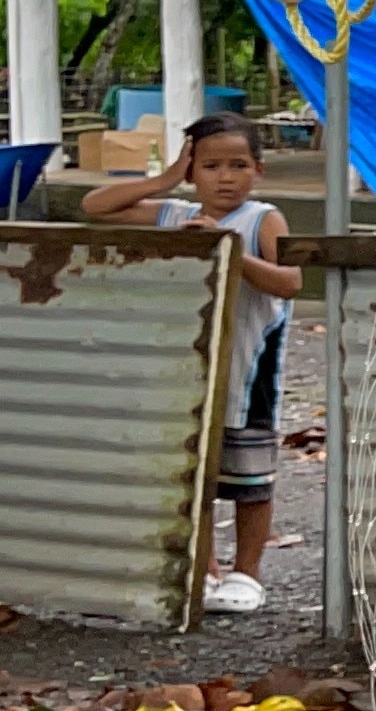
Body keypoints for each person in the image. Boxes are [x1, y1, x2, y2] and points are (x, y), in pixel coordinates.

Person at [86, 113, 304, 615]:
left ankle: (246, 573)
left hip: (249, 375)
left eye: (238, 165)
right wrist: (165, 181)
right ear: (191, 171)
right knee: (196, 477)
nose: (225, 177)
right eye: (209, 166)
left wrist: (226, 249)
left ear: (259, 170)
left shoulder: (260, 218)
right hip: (188, 374)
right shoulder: (172, 214)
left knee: (251, 481)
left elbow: (290, 282)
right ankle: (204, 571)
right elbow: (94, 207)